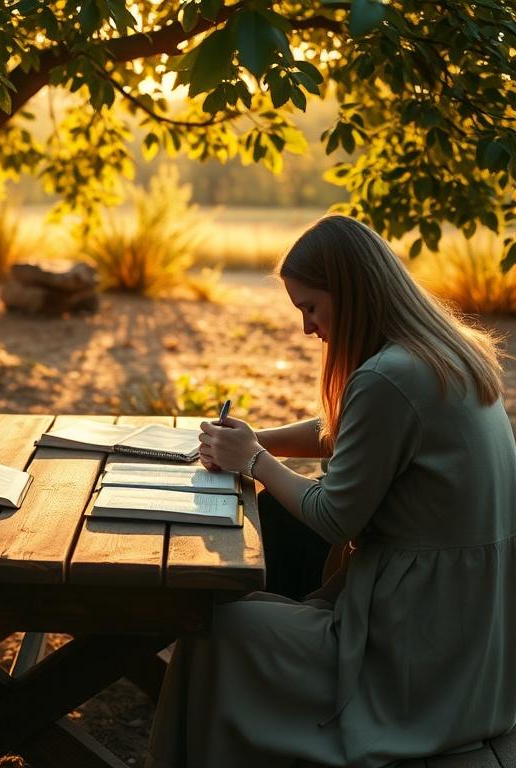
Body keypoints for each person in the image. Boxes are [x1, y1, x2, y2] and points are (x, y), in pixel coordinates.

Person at [148, 215, 516, 767]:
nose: (306, 328)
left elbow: (333, 517)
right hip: (472, 631)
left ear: (351, 293)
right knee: (265, 548)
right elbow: (344, 431)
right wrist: (252, 440)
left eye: (310, 308)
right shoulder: (444, 352)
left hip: (416, 645)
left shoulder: (389, 376)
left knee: (216, 628)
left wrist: (253, 459)